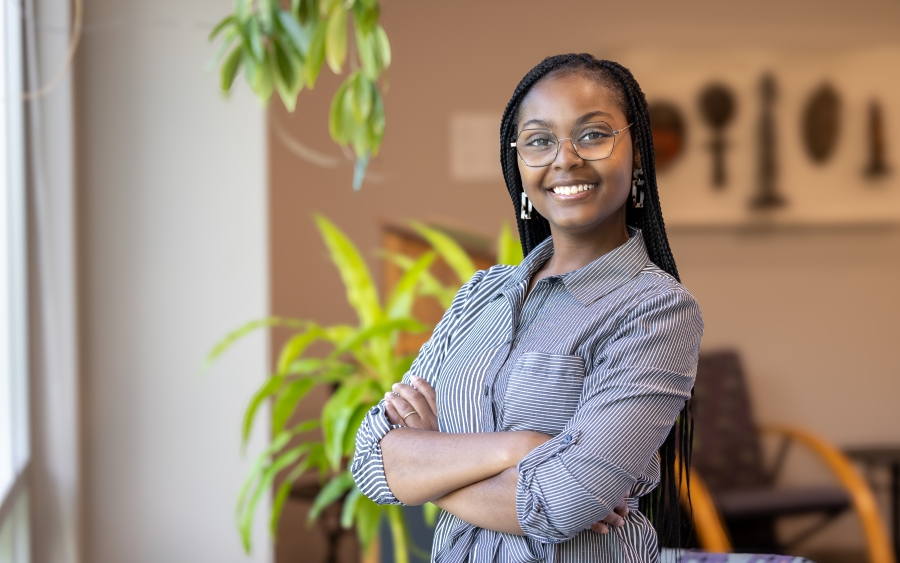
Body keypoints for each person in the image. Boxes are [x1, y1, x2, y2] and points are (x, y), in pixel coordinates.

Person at [351, 53, 703, 562]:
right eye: (539, 140)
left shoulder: (656, 310)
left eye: (593, 134)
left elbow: (563, 503)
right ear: (518, 162)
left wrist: (424, 470)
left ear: (638, 152)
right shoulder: (481, 296)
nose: (565, 159)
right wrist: (518, 449)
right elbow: (369, 457)